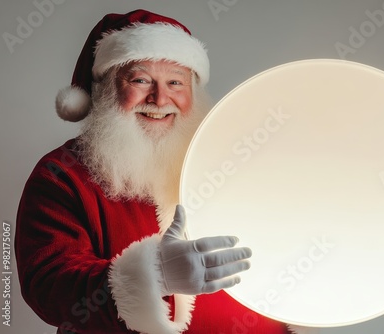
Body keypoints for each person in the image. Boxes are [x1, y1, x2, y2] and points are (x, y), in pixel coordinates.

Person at [15, 9, 291, 334]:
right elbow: (48, 283)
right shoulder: (61, 174)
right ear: (104, 88)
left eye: (175, 82)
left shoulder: (237, 162)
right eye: (141, 80)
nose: (160, 99)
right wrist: (154, 276)